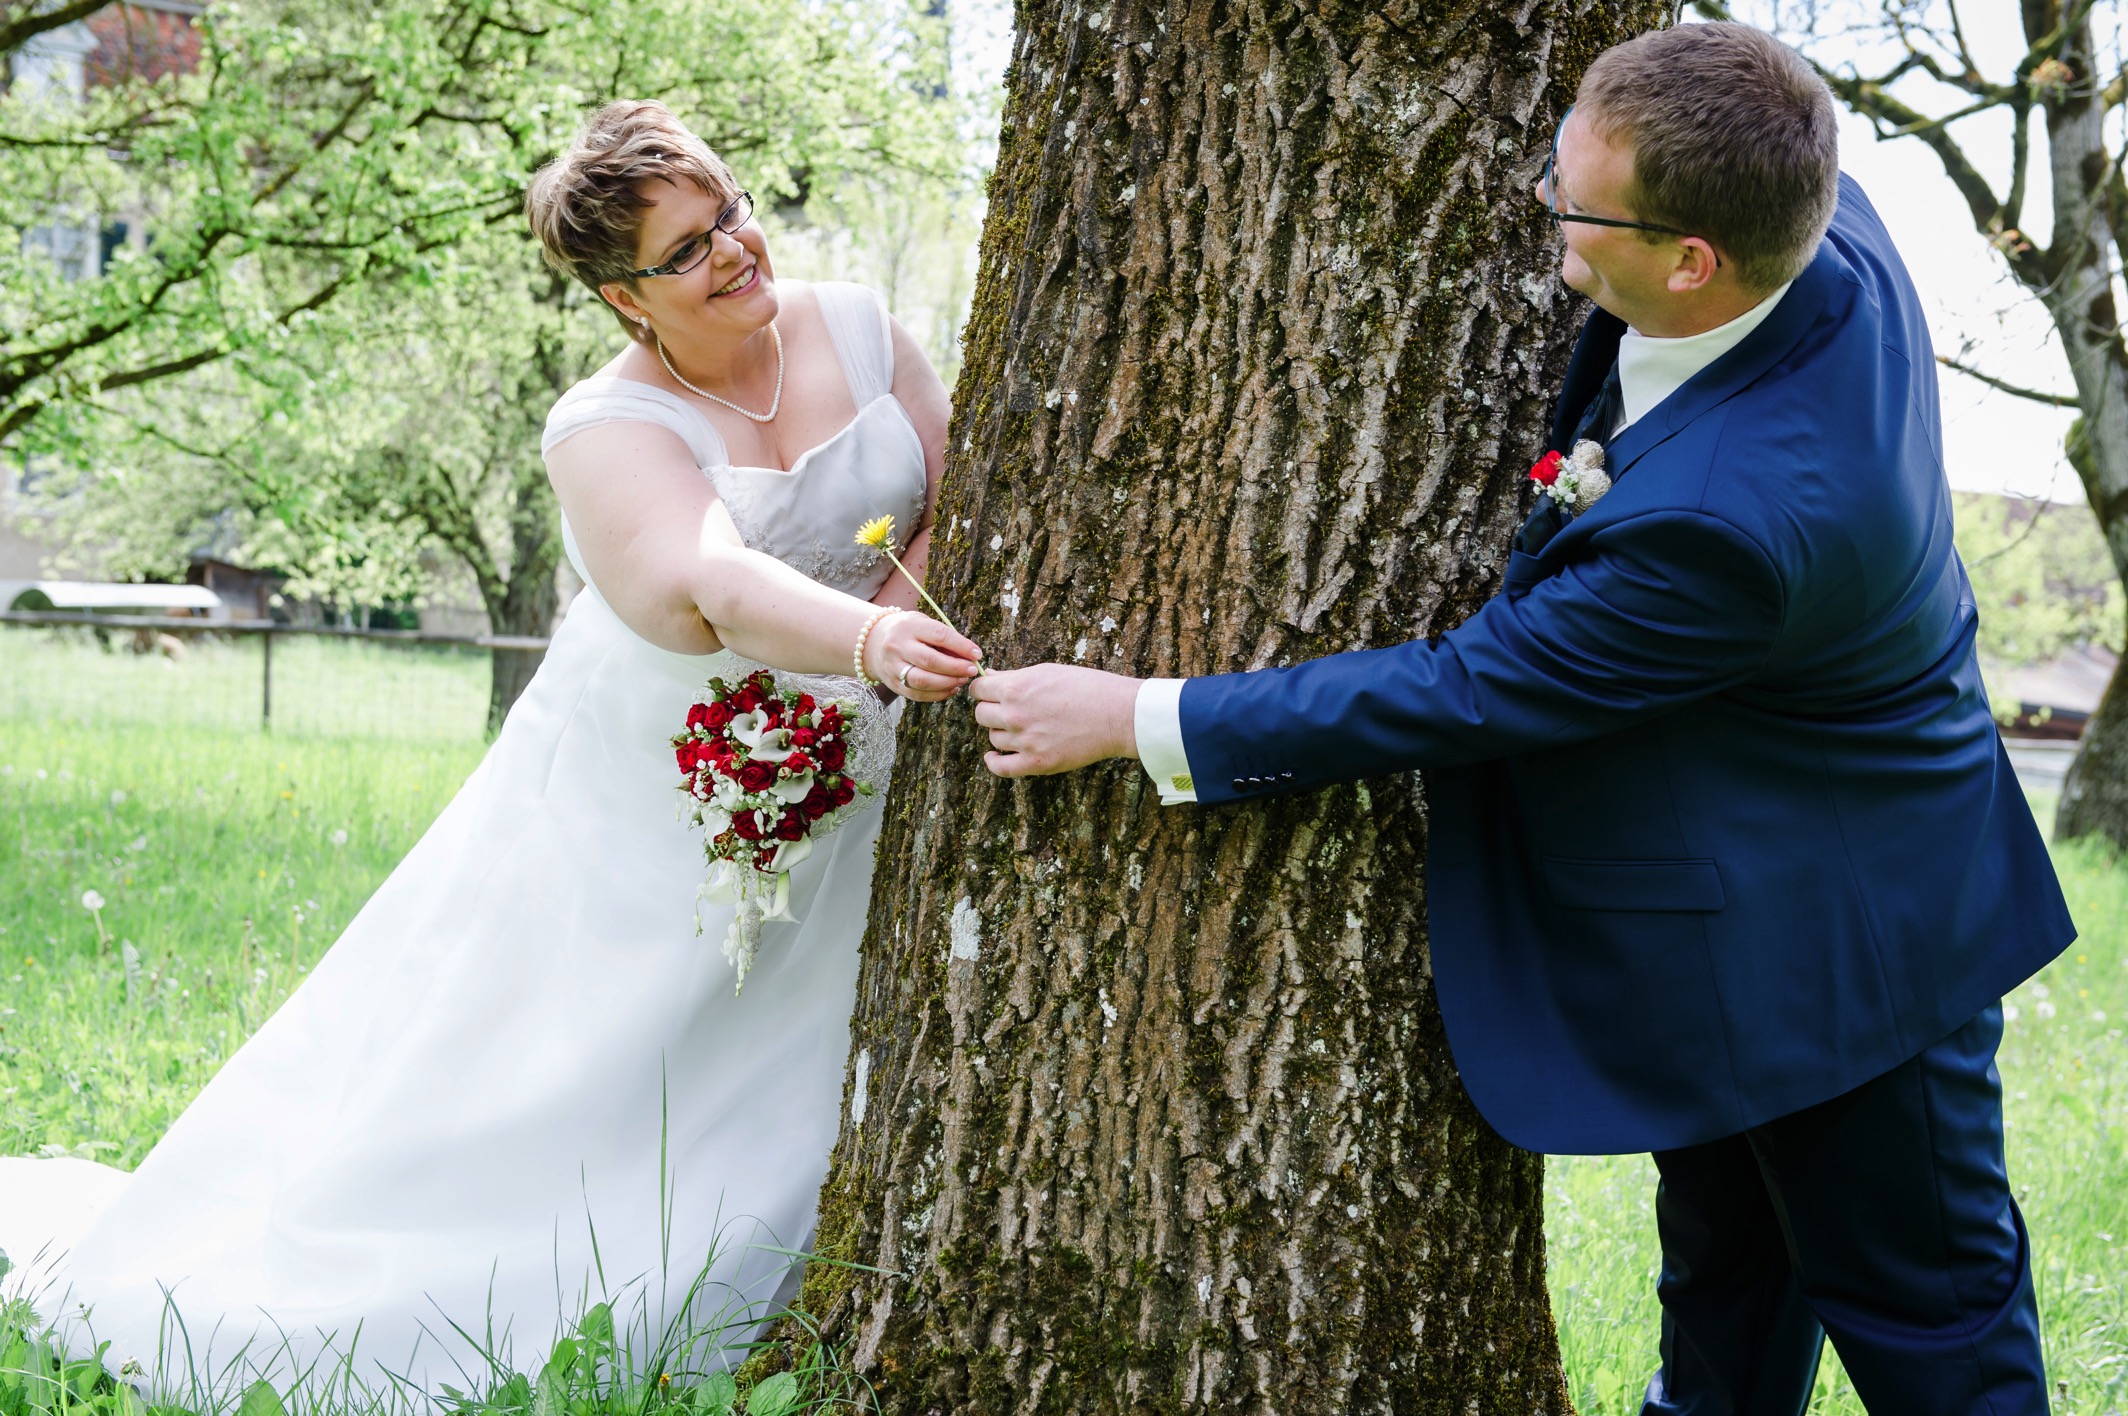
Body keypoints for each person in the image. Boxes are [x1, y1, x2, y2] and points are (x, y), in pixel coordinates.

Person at [967, 24, 2071, 1416]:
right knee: (1727, 1281)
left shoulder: (1735, 522)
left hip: (1868, 956)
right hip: (1739, 916)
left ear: (1691, 261)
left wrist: (1140, 714)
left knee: (1935, 1326)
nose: (1541, 201)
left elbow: (1468, 687)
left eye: (1576, 198)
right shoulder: (1813, 208)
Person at [0, 99, 981, 1392]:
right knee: (584, 1045)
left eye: (731, 211)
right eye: (686, 251)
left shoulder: (858, 326)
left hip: (871, 744)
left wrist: (897, 637)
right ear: (623, 297)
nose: (735, 251)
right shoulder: (603, 427)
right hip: (662, 782)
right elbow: (707, 585)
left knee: (798, 1022)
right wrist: (866, 653)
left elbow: (953, 487)